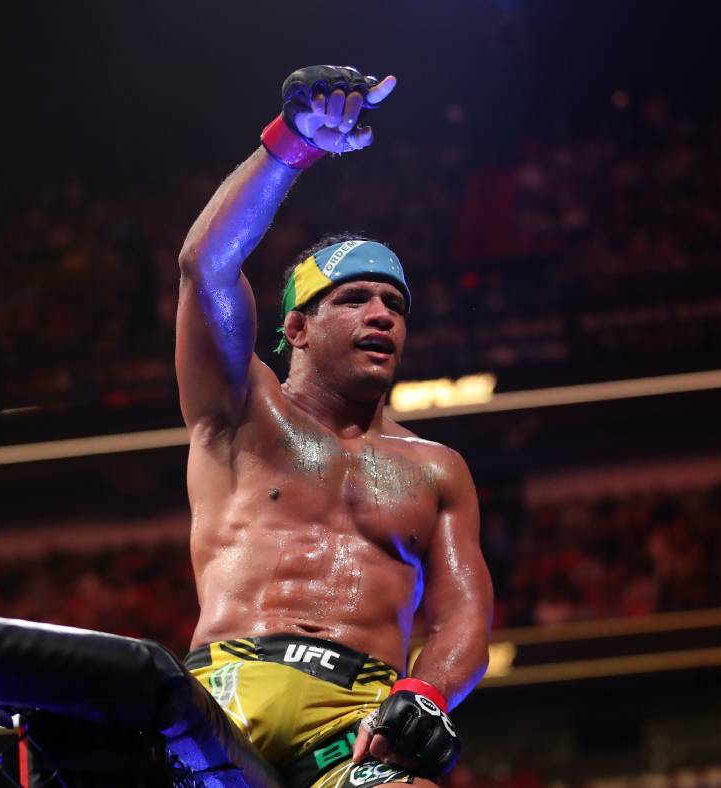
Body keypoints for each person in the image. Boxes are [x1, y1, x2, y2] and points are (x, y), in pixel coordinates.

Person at [175, 65, 493, 787]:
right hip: (225, 698)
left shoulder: (437, 468)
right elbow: (206, 266)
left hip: (355, 724)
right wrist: (294, 145)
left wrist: (426, 693)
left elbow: (462, 620)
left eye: (394, 305)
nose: (382, 315)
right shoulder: (239, 406)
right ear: (297, 328)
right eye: (354, 299)